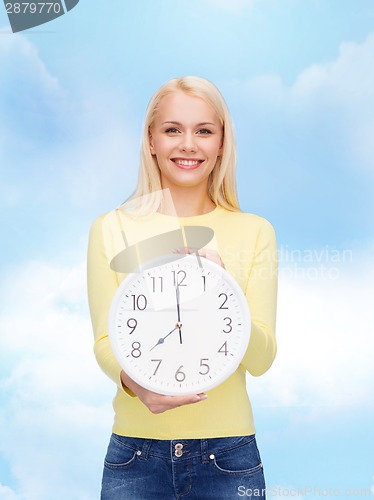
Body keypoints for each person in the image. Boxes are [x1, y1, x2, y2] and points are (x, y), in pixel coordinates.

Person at [87, 76, 278, 499]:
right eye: (172, 129)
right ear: (151, 140)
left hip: (228, 457)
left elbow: (262, 359)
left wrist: (224, 292)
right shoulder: (111, 229)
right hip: (135, 456)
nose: (188, 144)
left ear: (222, 144)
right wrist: (137, 387)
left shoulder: (255, 232)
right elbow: (106, 341)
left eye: (204, 131)